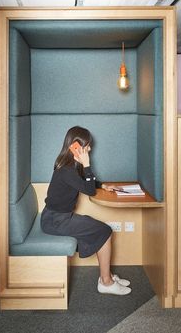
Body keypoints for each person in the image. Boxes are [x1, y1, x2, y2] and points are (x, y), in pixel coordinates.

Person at [41, 126, 131, 295]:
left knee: (100, 229)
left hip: (57, 218)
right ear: (75, 146)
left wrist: (102, 185)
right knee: (105, 231)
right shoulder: (66, 170)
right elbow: (88, 190)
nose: (89, 149)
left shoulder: (69, 165)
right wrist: (87, 163)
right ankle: (106, 282)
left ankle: (107, 276)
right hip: (56, 221)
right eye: (87, 146)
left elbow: (84, 183)